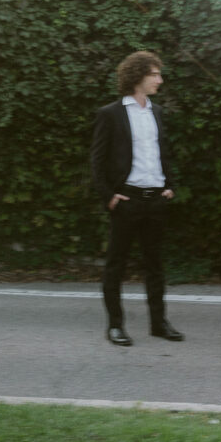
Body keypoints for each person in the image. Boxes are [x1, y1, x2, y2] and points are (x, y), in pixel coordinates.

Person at [90, 51, 183, 347]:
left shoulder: (155, 112)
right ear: (138, 77)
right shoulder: (111, 114)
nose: (160, 79)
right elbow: (97, 160)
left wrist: (170, 186)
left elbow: (162, 153)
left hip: (156, 200)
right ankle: (115, 326)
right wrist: (109, 196)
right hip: (127, 201)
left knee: (155, 265)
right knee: (115, 265)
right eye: (154, 74)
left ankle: (159, 324)